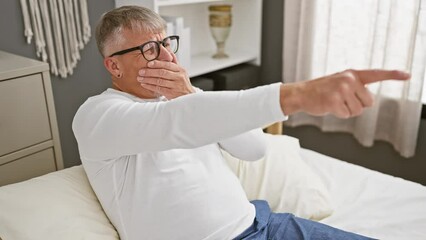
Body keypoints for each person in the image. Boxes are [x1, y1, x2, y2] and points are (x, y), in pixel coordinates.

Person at [72, 5, 410, 240]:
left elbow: (255, 148)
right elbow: (171, 124)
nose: (168, 57)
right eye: (149, 49)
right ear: (114, 66)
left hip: (264, 225)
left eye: (165, 43)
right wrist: (300, 95)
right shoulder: (98, 116)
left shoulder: (188, 101)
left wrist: (190, 92)